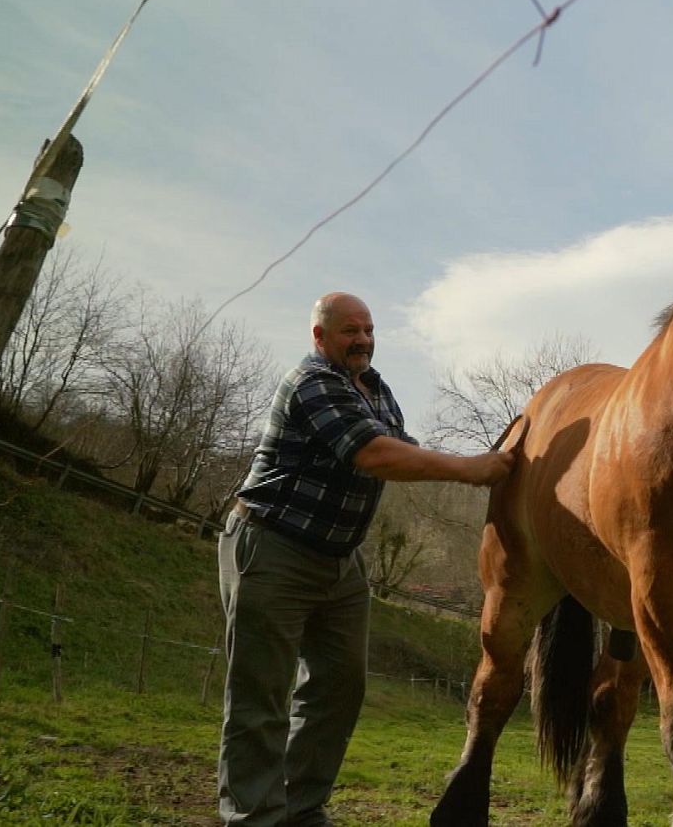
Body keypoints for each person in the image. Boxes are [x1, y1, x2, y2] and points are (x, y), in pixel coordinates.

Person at [217, 292, 512, 826]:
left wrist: (483, 462)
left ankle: (301, 809)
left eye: (369, 329)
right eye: (350, 330)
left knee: (339, 688)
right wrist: (470, 469)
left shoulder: (375, 390)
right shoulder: (314, 383)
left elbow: (402, 446)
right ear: (320, 336)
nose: (363, 340)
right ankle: (254, 818)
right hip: (274, 547)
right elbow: (372, 454)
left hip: (340, 561)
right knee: (260, 695)